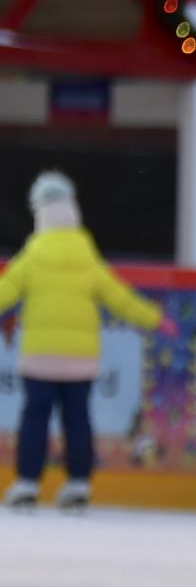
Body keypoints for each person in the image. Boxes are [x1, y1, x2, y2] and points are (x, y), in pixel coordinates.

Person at [0, 172, 174, 510]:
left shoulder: (32, 256)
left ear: (40, 215)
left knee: (34, 418)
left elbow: (3, 292)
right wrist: (156, 319)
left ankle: (27, 484)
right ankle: (78, 484)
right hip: (80, 359)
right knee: (77, 419)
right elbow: (119, 297)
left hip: (39, 358)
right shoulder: (87, 257)